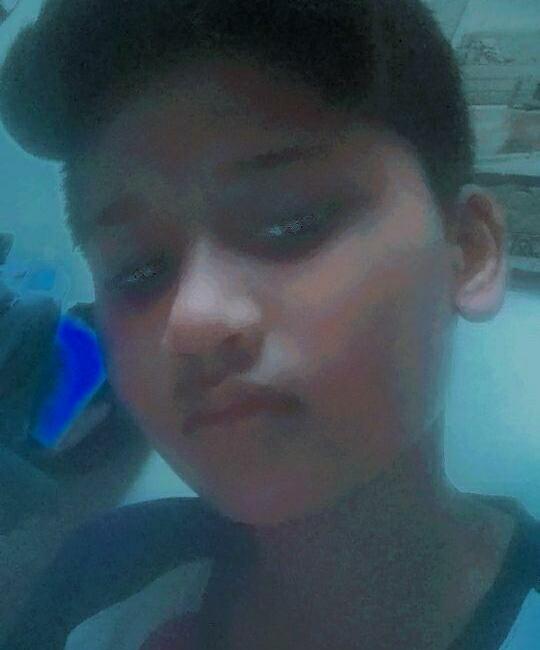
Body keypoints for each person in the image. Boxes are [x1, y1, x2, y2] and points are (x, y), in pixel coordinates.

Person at [0, 1, 539, 649]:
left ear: (468, 251)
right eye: (138, 270)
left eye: (290, 223)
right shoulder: (101, 576)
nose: (191, 320)